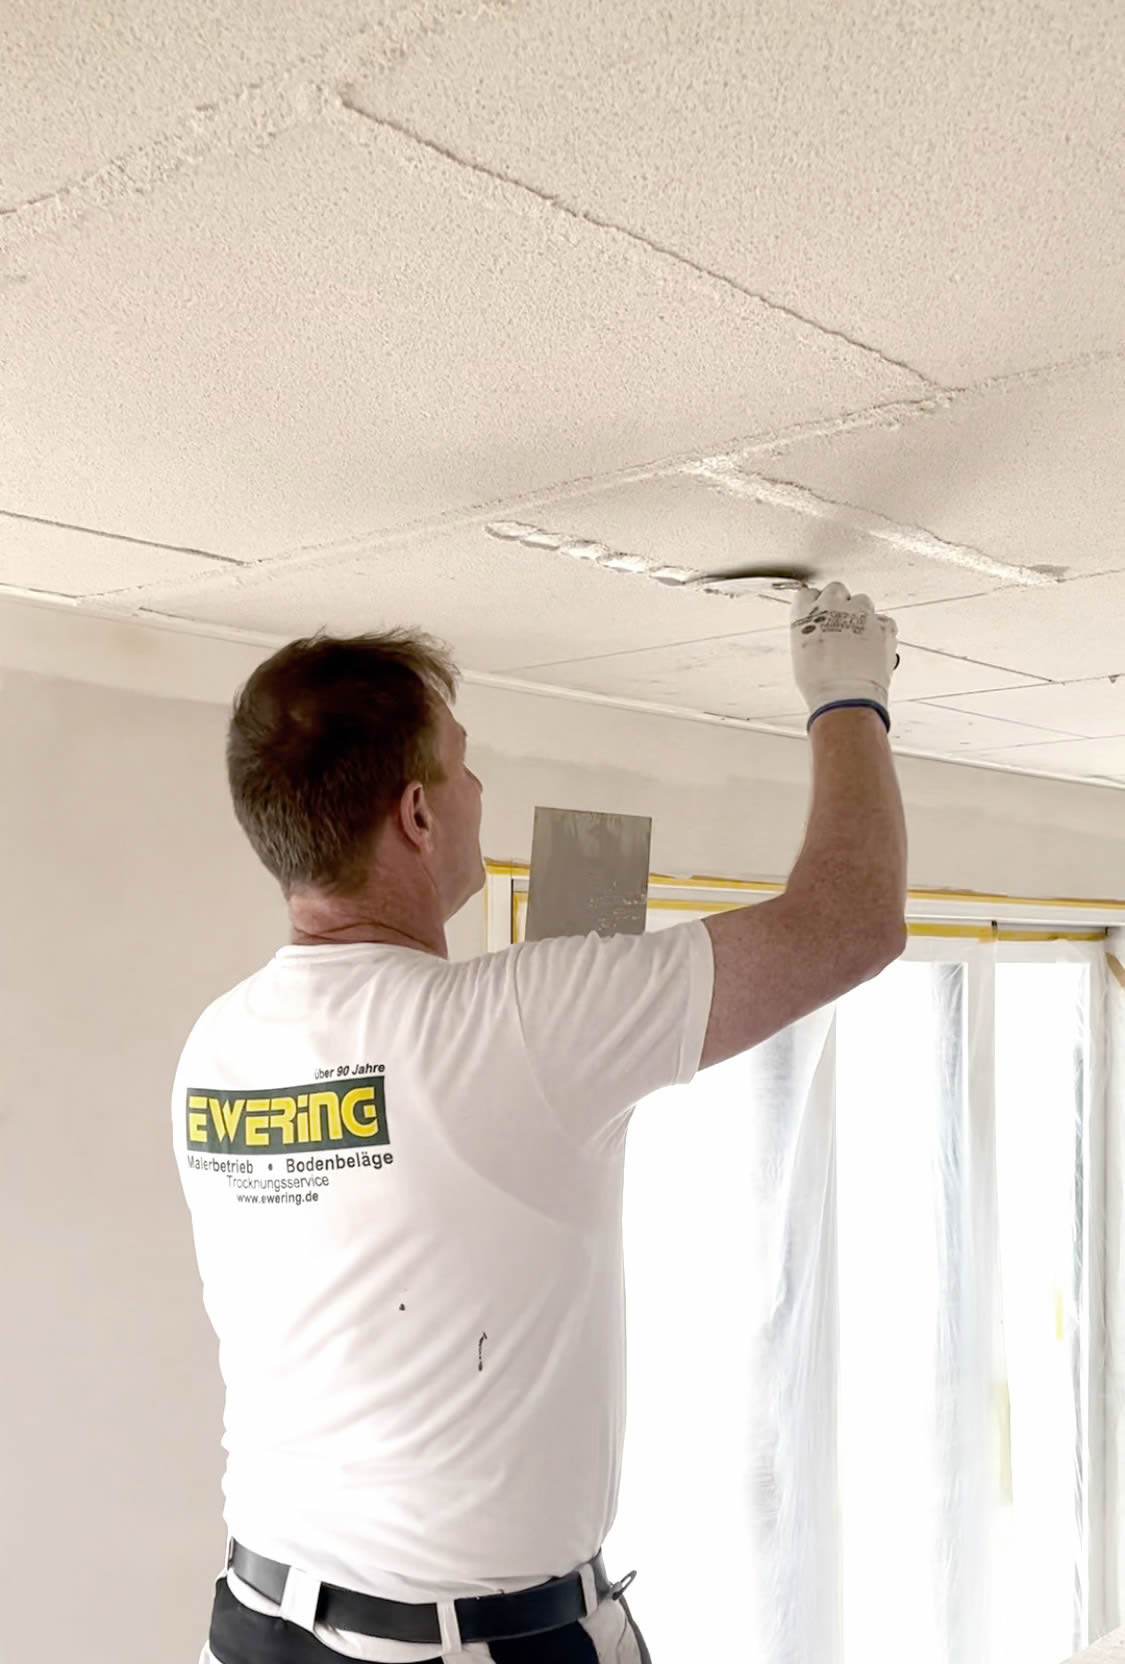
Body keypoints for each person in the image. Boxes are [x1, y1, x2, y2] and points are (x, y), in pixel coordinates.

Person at [173, 580, 906, 1664]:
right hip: (461, 1647)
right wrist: (849, 694)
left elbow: (411, 1163)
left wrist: (572, 1024)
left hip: (262, 1626)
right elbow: (848, 922)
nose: (476, 783)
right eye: (461, 762)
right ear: (417, 814)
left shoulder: (217, 1048)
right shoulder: (516, 1026)